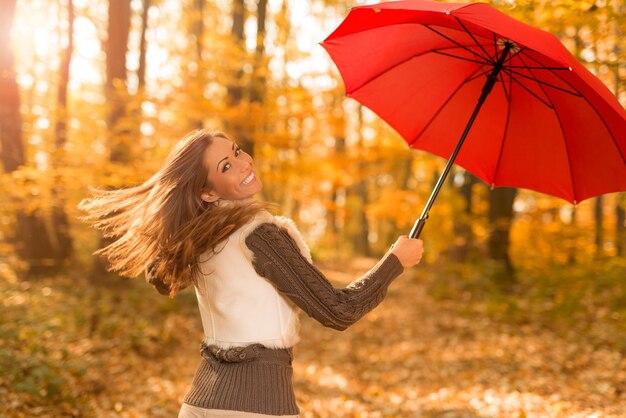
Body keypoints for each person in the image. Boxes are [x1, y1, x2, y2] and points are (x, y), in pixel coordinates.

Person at [78, 129, 424, 418]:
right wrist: (395, 261)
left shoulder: (200, 236)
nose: (244, 163)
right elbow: (338, 310)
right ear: (208, 191)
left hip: (199, 404)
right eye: (227, 166)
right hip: (257, 407)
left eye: (237, 151)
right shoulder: (257, 233)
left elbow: (161, 279)